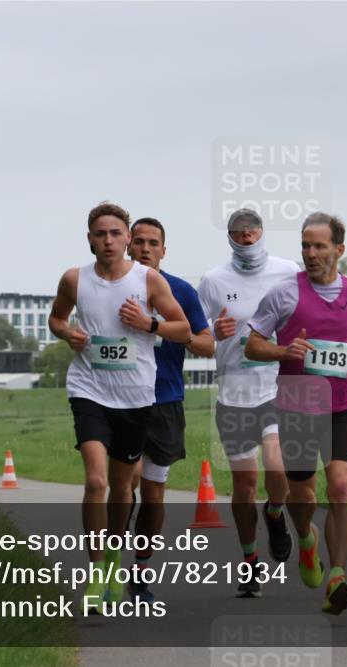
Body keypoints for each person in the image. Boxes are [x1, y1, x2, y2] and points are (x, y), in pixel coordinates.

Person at [49, 202, 191, 613]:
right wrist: (68, 334)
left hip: (134, 396)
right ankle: (96, 574)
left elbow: (183, 328)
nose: (108, 241)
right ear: (89, 238)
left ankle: (114, 560)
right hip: (88, 388)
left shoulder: (148, 280)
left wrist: (150, 325)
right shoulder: (75, 279)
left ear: (127, 238)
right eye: (100, 234)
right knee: (96, 482)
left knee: (122, 489)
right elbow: (56, 319)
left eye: (115, 234)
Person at [245, 212, 347, 614]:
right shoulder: (284, 294)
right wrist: (282, 350)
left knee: (341, 487)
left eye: (319, 246)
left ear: (339, 250)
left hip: (342, 407)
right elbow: (252, 345)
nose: (310, 253)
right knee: (301, 495)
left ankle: (338, 575)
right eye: (305, 246)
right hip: (296, 406)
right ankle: (306, 540)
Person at [197, 208, 299, 598]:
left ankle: (275, 512)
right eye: (238, 233)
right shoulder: (213, 280)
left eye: (251, 232)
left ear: (262, 233)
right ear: (229, 237)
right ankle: (250, 560)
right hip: (234, 392)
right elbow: (197, 335)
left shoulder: (288, 271)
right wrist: (212, 331)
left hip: (274, 386)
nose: (245, 239)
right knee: (245, 482)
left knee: (276, 467)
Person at [125, 217, 215, 602]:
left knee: (154, 494)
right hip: (121, 402)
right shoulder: (112, 287)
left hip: (165, 402)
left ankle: (140, 572)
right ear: (128, 247)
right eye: (139, 241)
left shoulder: (180, 291)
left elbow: (208, 345)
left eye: (153, 243)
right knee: (122, 488)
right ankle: (109, 563)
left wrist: (159, 328)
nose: (146, 248)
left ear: (164, 250)